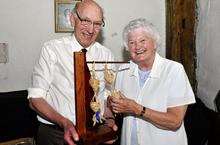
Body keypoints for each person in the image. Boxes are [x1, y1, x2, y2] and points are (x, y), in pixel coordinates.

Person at [28, 1, 117, 145]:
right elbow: (35, 99)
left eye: (97, 24)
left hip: (93, 134)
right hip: (55, 134)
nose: (91, 29)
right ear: (72, 19)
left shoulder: (106, 55)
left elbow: (105, 98)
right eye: (86, 21)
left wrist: (110, 122)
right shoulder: (51, 50)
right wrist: (64, 123)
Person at [108, 18, 196, 145]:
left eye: (143, 40)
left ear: (154, 43)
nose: (137, 46)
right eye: (132, 42)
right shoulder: (123, 70)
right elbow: (116, 108)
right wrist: (112, 111)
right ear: (128, 48)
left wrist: (138, 109)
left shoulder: (174, 70)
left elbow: (175, 121)